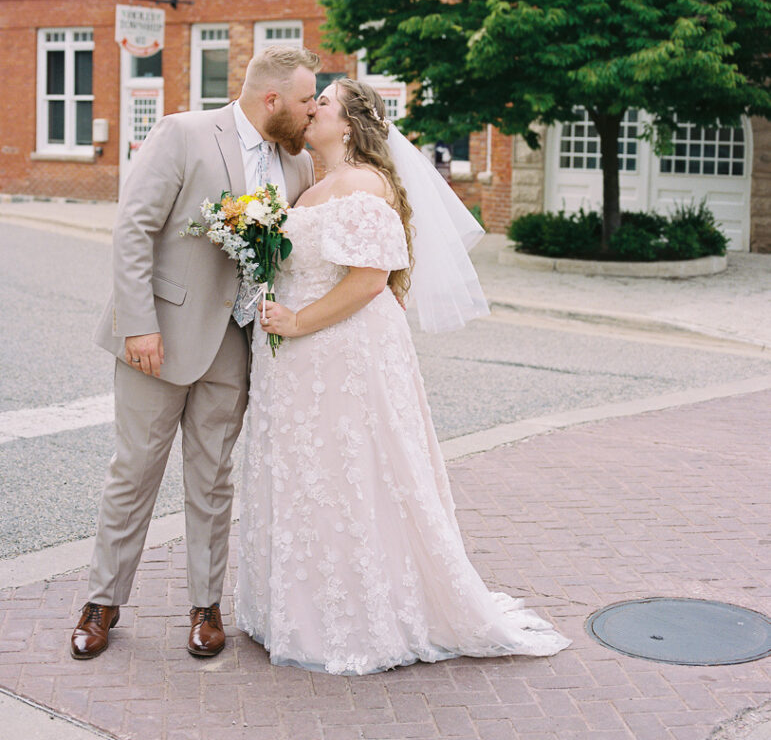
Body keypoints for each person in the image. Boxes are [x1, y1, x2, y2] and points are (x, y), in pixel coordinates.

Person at [235, 78, 570, 674]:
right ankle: (296, 606)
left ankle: (356, 617)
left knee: (350, 470)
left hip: (339, 349)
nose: (311, 112)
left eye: (324, 106)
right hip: (300, 353)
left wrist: (297, 319)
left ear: (350, 125)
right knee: (309, 471)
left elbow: (369, 282)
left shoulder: (365, 185)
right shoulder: (312, 183)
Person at [70, 44, 320, 661]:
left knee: (212, 479)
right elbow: (134, 227)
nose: (311, 112)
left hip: (237, 347)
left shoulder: (299, 167)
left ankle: (205, 606)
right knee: (135, 472)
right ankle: (102, 602)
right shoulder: (183, 133)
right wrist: (138, 325)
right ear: (272, 100)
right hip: (159, 338)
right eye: (306, 100)